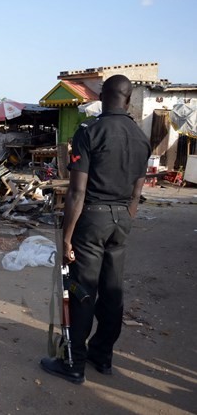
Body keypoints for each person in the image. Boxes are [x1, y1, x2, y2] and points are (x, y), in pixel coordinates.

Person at [40, 75, 151, 384]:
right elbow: (136, 192)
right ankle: (102, 357)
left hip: (93, 218)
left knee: (83, 292)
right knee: (112, 292)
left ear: (103, 97)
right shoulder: (141, 138)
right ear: (128, 100)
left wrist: (66, 236)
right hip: (122, 220)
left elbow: (77, 191)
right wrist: (125, 220)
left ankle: (74, 365)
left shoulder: (90, 131)